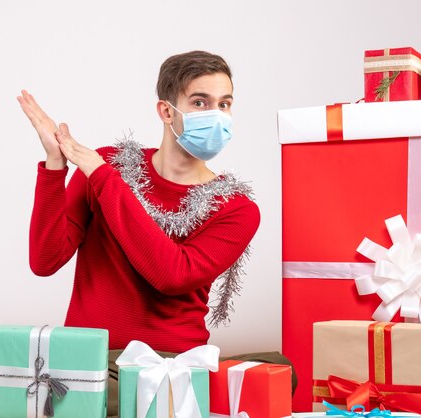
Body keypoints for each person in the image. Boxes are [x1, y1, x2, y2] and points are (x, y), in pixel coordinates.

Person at [18, 50, 295, 416]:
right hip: (94, 360)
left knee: (279, 372)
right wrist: (55, 166)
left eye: (224, 104)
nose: (216, 115)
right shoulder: (109, 168)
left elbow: (172, 275)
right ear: (166, 111)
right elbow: (45, 259)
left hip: (172, 364)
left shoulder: (237, 208)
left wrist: (102, 176)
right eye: (200, 102)